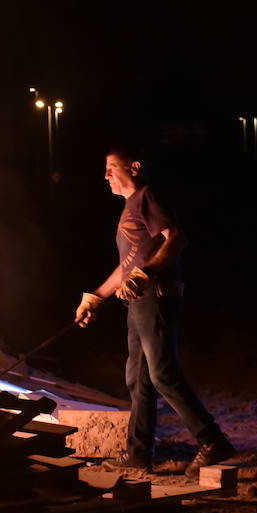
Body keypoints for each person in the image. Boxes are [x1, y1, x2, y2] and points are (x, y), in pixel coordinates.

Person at [75, 148, 235, 476]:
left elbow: (176, 238)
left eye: (111, 168)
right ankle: (138, 453)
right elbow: (126, 268)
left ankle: (212, 441)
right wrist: (95, 298)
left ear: (134, 168)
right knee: (138, 378)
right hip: (137, 300)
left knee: (161, 373)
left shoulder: (147, 197)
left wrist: (147, 274)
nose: (105, 176)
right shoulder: (129, 209)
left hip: (155, 298)